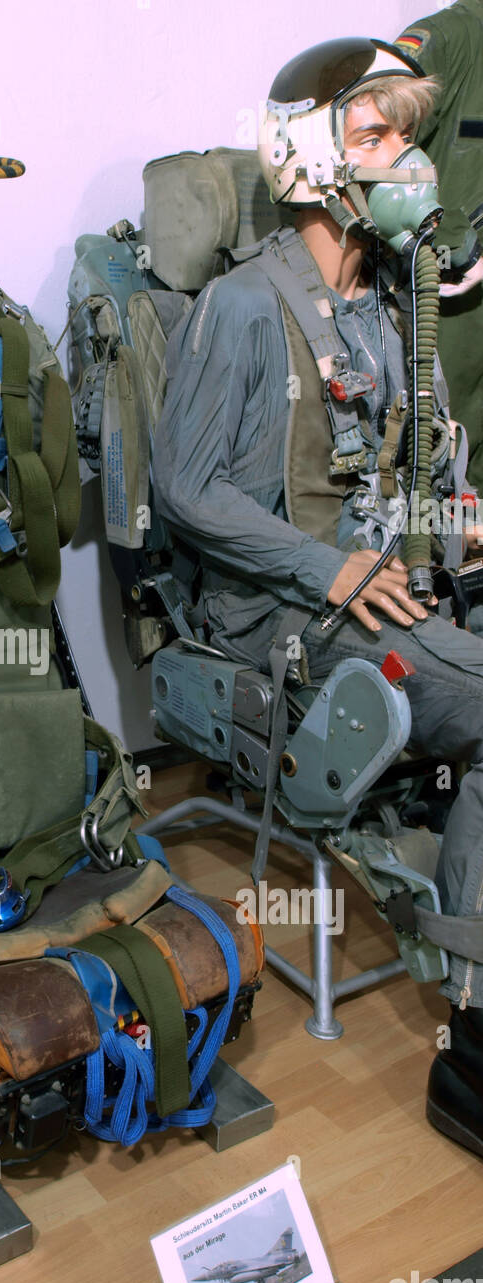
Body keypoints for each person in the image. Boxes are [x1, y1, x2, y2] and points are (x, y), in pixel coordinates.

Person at [151, 36, 483, 1159]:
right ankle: (475, 1047)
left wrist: (455, 515)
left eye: (410, 136)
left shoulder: (392, 313)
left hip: (382, 586)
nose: (411, 163)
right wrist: (327, 568)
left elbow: (412, 474)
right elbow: (183, 488)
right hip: (275, 610)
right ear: (309, 161)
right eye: (378, 137)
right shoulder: (244, 308)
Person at [396, 4, 483, 489]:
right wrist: (445, 244)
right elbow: (373, 156)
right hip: (450, 300)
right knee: (443, 463)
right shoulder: (449, 40)